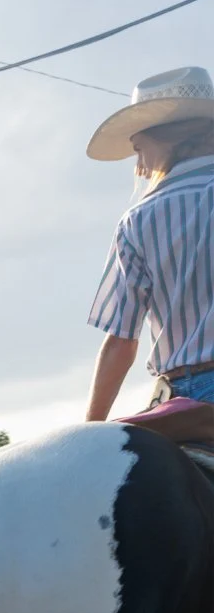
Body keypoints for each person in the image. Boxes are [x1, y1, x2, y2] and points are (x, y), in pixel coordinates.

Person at [85, 67, 214, 420]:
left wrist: (89, 431)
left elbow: (121, 343)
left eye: (139, 149)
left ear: (168, 138)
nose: (140, 166)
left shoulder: (136, 220)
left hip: (179, 397)